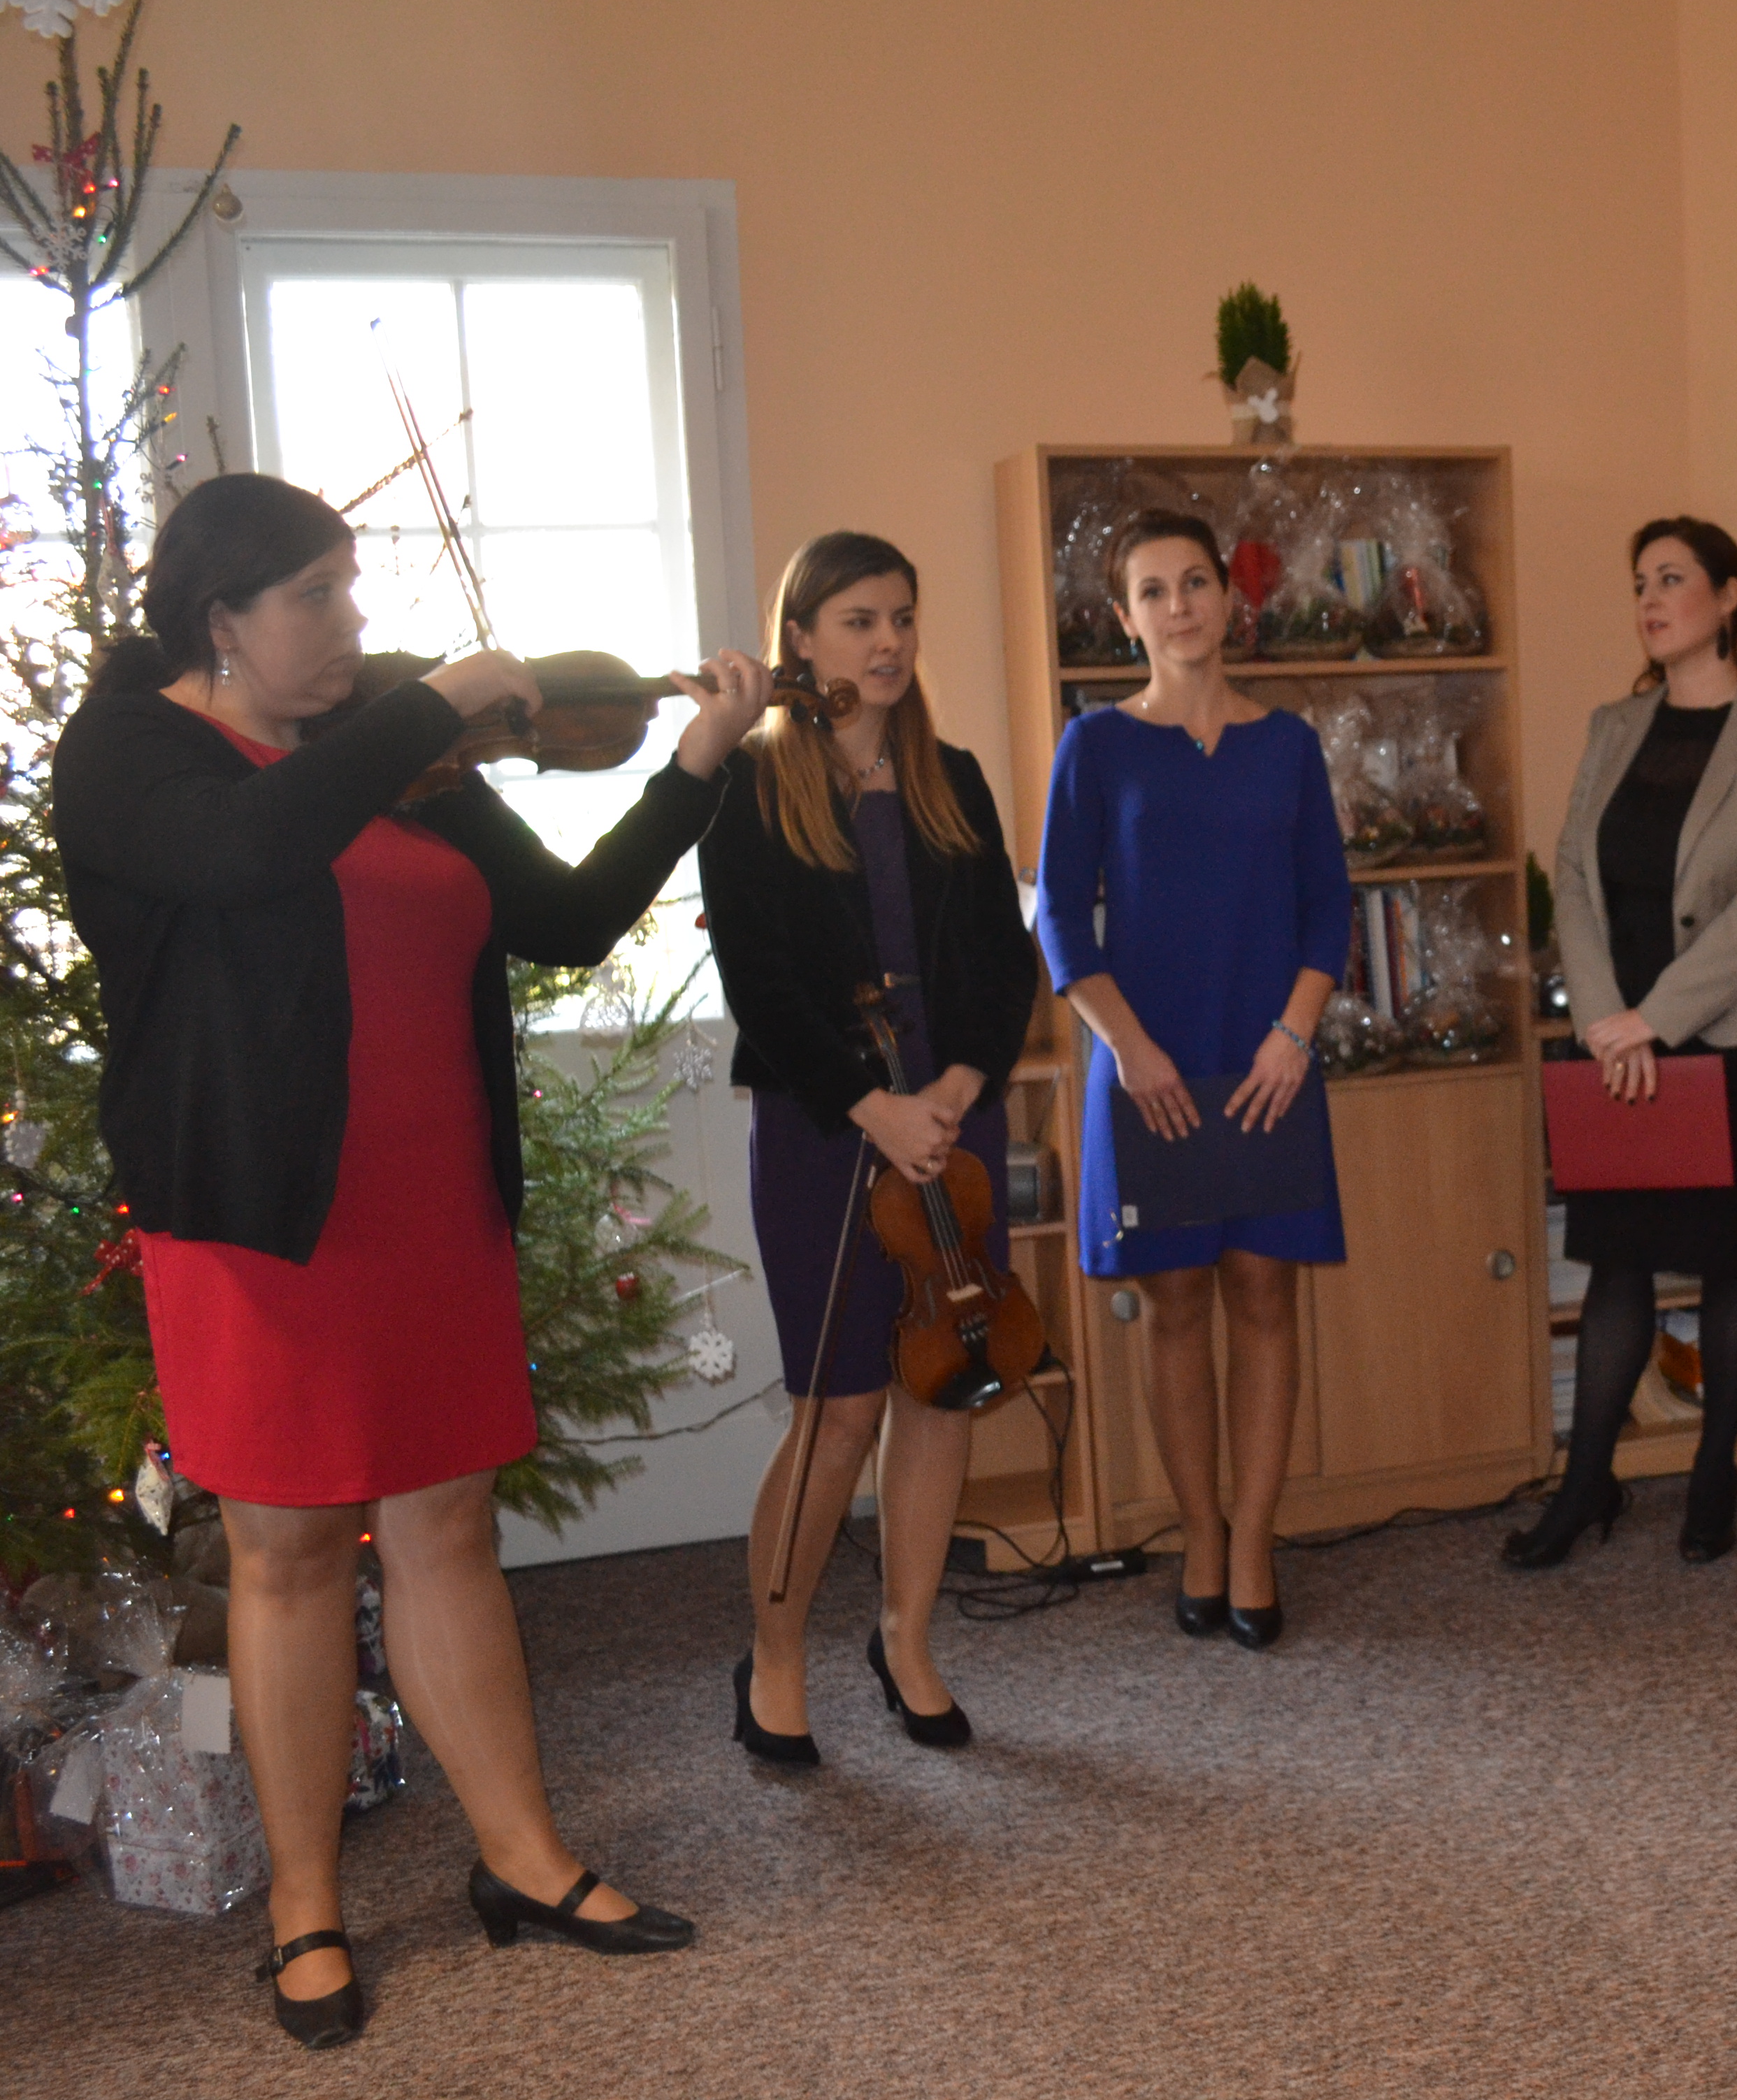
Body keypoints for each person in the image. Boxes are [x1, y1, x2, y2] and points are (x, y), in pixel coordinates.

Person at [52, 473, 772, 2046]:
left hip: (434, 1203)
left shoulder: (397, 751)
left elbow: (567, 921)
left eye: (354, 589)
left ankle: (524, 1857)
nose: (352, 622)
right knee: (290, 1551)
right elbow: (247, 852)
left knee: (448, 1526)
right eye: (317, 594)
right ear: (222, 618)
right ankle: (306, 1907)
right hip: (259, 1215)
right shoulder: (133, 755)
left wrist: (697, 768)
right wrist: (427, 706)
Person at [701, 532, 1040, 1762]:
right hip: (824, 1125)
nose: (889, 642)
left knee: (942, 1385)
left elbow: (1005, 957)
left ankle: (907, 1639)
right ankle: (776, 1655)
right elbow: (762, 985)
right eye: (859, 621)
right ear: (801, 639)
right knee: (839, 1406)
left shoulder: (952, 775)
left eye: (902, 617)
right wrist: (872, 1105)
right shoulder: (748, 786)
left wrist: (959, 1082)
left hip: (950, 1116)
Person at [1035, 511, 1350, 1649]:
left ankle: (1255, 1542)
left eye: (1196, 583)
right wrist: (1128, 1046)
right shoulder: (1096, 746)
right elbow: (1060, 916)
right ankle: (1201, 1536)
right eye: (1154, 591)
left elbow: (1328, 905)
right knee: (1175, 1304)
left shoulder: (1289, 746)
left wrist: (1294, 1036)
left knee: (1265, 1296)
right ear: (1126, 619)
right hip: (1148, 1065)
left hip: (1269, 1063)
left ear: (1229, 597)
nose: (1180, 606)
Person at [1514, 518, 1737, 1568]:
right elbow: (1574, 874)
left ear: (1728, 595)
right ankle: (1586, 1485)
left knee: (1732, 1257)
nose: (1650, 601)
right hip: (1620, 1041)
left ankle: (1714, 1476)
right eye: (1640, 583)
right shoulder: (1616, 724)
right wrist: (1609, 1022)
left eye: (1672, 579)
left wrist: (1660, 1018)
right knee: (1618, 1256)